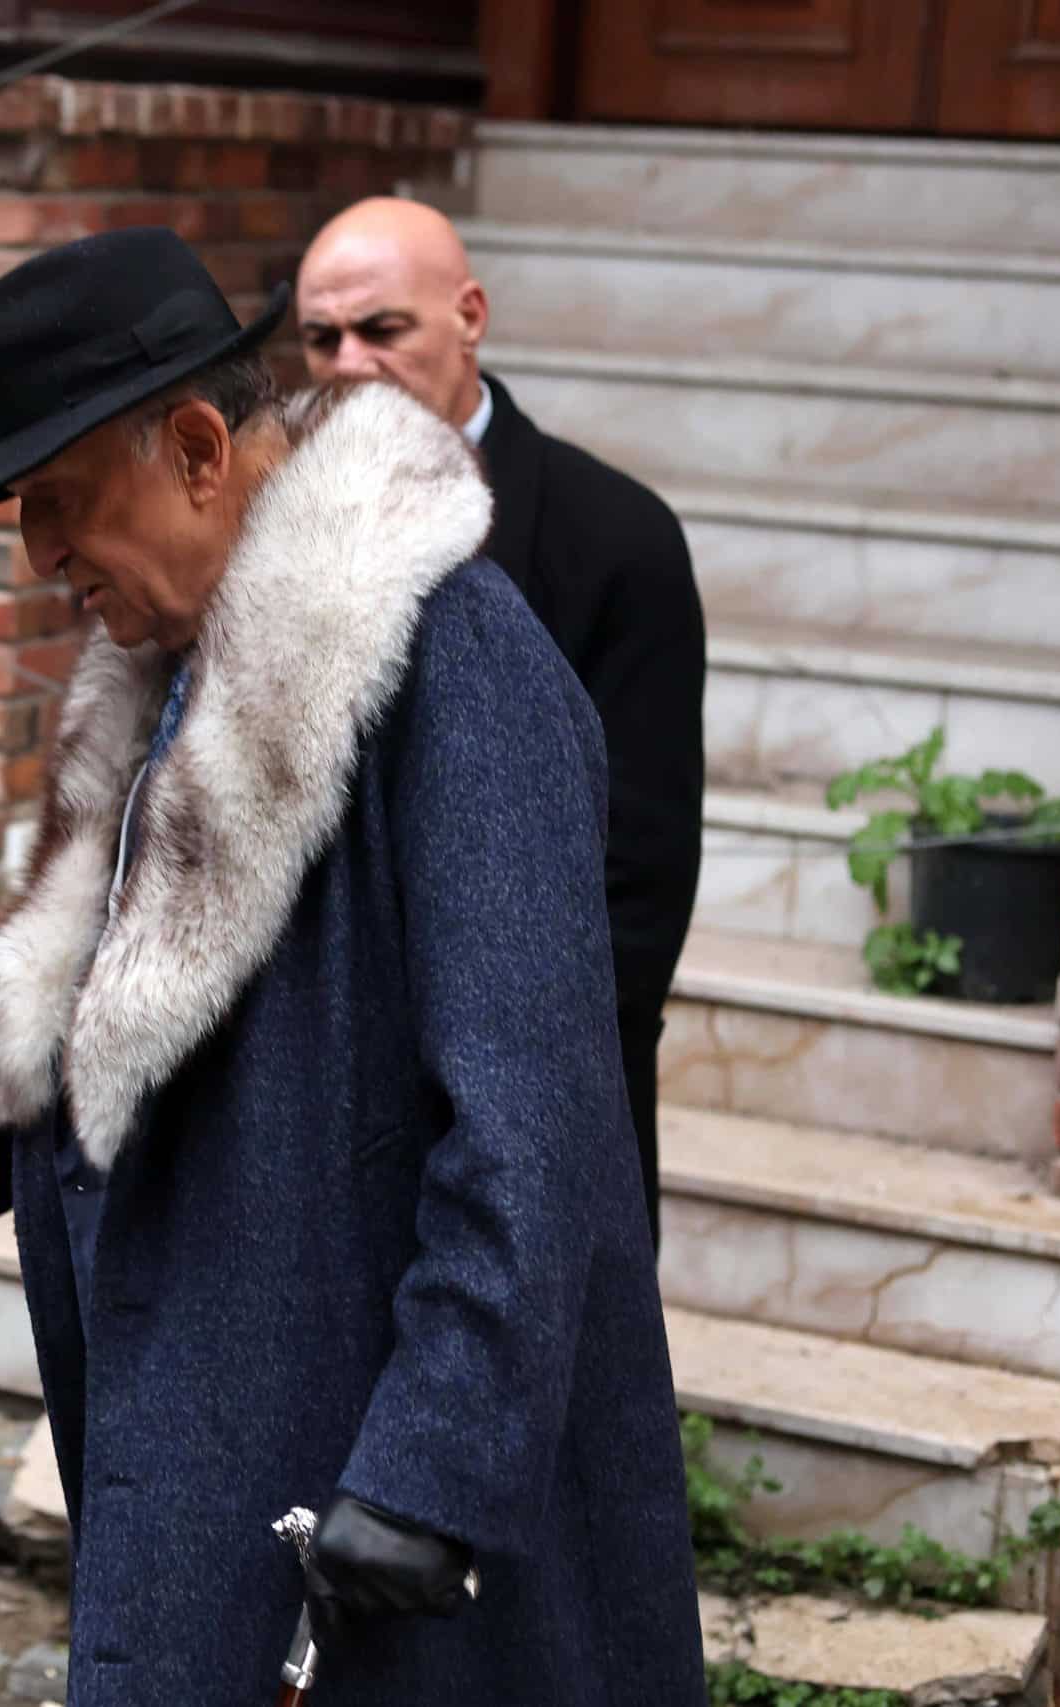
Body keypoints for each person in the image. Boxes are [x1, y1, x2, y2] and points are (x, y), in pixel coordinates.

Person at [0, 227, 702, 1705]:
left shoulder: (456, 659)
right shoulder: (169, 679)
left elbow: (537, 1113)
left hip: (367, 1481)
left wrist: (435, 1460)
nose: (42, 556)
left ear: (199, 448)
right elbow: (203, 1037)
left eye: (61, 504)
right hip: (233, 1445)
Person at [296, 196, 706, 1246]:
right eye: (319, 337)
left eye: (382, 330)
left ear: (468, 315)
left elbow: (636, 888)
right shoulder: (275, 530)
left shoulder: (616, 538)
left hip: (533, 1112)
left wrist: (514, 1119)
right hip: (321, 1124)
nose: (346, 362)